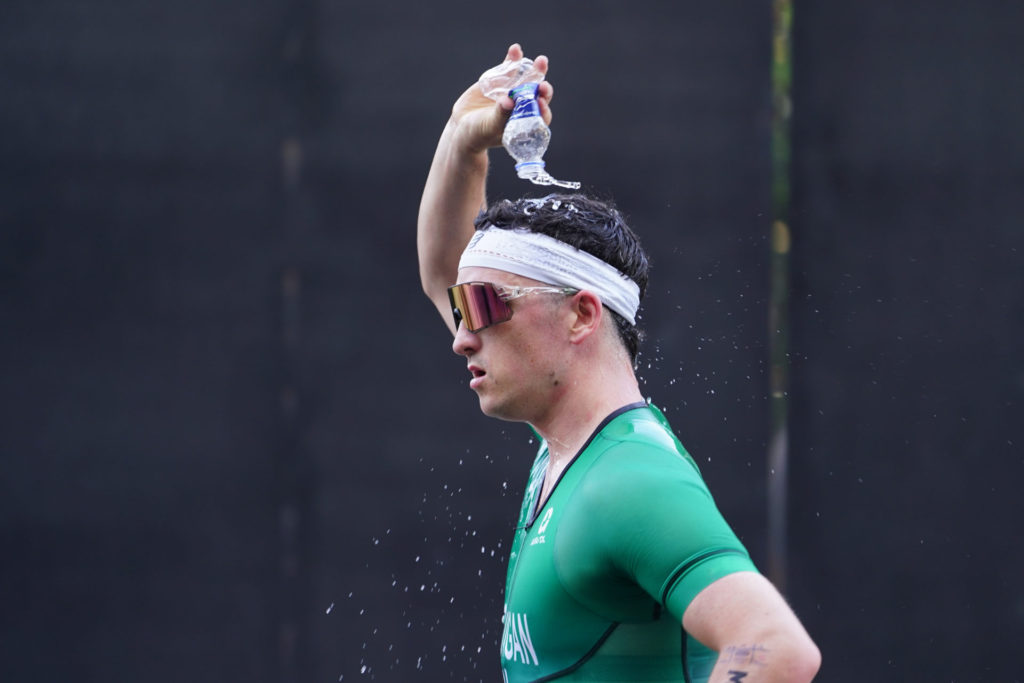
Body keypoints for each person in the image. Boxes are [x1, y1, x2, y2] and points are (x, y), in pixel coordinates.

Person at [417, 43, 821, 683]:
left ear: (582, 315)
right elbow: (445, 269)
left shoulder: (625, 483)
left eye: (488, 306)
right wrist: (464, 142)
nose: (463, 336)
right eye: (464, 312)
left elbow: (775, 647)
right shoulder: (573, 449)